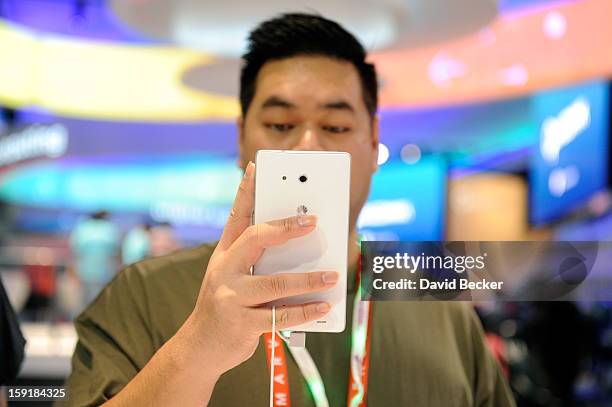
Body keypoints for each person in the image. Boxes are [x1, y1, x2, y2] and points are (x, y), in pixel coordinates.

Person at [61, 13, 515, 406]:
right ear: (242, 138)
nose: (308, 145)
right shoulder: (143, 295)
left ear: (373, 141)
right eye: (280, 124)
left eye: (335, 126)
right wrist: (198, 350)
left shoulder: (439, 306)